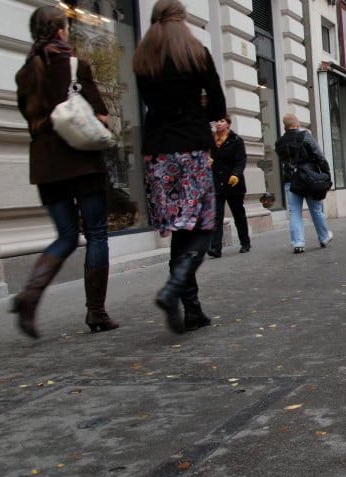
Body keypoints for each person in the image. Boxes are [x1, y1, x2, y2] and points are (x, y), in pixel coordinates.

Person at [12, 5, 119, 339]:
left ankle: (30, 295)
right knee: (97, 233)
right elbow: (100, 116)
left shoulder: (24, 73)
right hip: (83, 163)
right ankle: (96, 312)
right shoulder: (75, 65)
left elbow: (29, 121)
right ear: (59, 30)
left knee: (66, 235)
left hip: (46, 165)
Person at [134, 0, 226, 333]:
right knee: (202, 225)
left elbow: (150, 104)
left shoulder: (142, 57)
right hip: (191, 148)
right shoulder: (196, 52)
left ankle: (192, 308)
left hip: (158, 153)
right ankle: (174, 288)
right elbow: (218, 105)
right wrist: (197, 108)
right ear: (182, 20)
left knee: (179, 227)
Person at [275, 113, 333, 254]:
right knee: (315, 210)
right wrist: (326, 174)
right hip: (309, 179)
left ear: (285, 126)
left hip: (291, 180)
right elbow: (318, 155)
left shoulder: (279, 142)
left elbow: (284, 160)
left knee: (295, 212)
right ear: (296, 124)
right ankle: (324, 237)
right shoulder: (305, 135)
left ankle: (298, 243)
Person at [207, 114, 250, 256]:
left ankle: (245, 242)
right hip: (216, 184)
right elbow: (207, 157)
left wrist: (236, 175)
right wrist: (207, 162)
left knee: (238, 215)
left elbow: (241, 160)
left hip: (233, 184)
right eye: (217, 121)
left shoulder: (236, 140)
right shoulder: (211, 140)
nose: (218, 124)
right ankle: (216, 247)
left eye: (222, 121)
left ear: (228, 124)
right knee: (216, 217)